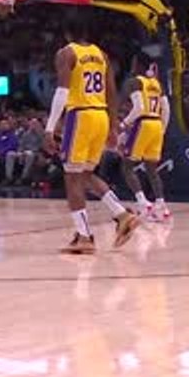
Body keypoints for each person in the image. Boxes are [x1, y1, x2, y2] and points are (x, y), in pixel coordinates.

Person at [44, 24, 139, 254]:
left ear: (67, 34)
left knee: (72, 178)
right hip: (100, 116)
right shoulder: (101, 55)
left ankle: (84, 236)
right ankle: (122, 214)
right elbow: (112, 92)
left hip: (80, 116)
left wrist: (49, 128)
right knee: (86, 175)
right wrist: (113, 125)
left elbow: (62, 93)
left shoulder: (66, 53)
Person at [119, 63, 173, 221]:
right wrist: (162, 129)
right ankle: (161, 206)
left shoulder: (135, 82)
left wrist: (124, 124)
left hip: (143, 123)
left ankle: (143, 203)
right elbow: (167, 109)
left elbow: (139, 108)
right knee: (152, 169)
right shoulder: (157, 84)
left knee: (127, 166)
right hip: (157, 125)